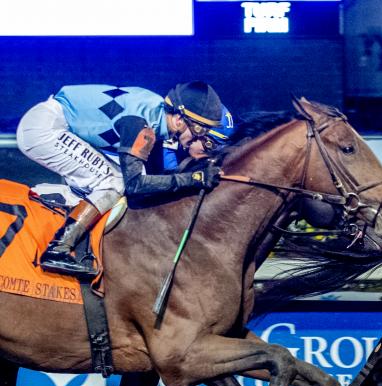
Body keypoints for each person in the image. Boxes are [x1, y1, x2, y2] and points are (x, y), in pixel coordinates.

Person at [16, 81, 226, 278]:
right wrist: (195, 179)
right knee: (114, 181)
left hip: (56, 123)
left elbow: (153, 178)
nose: (198, 139)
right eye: (199, 130)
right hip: (45, 129)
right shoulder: (142, 125)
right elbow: (135, 185)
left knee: (116, 178)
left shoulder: (155, 114)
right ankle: (58, 248)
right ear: (179, 119)